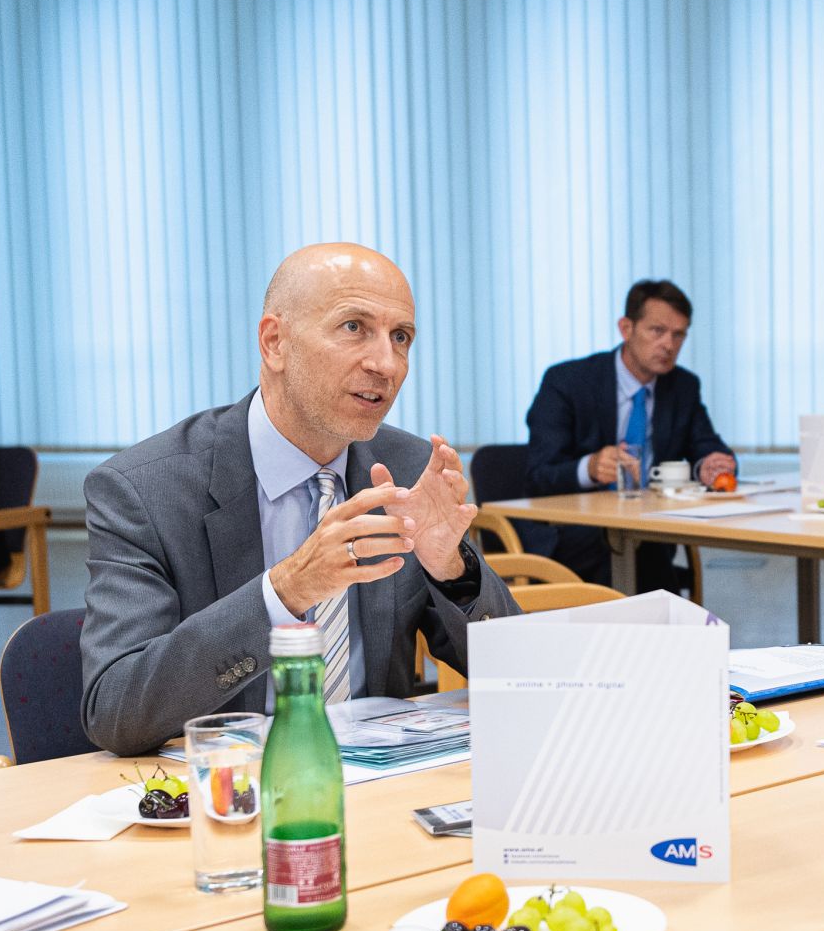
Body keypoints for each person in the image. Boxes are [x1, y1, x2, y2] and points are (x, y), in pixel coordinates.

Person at [82, 244, 518, 755]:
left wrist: (451, 570)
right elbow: (114, 711)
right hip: (230, 795)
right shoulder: (142, 490)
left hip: (383, 785)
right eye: (354, 327)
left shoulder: (406, 469)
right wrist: (285, 590)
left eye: (401, 337)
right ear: (275, 343)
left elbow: (519, 676)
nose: (386, 363)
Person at [523, 279, 735, 590]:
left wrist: (712, 465)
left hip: (646, 531)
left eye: (679, 335)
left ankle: (664, 634)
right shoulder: (568, 382)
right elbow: (539, 475)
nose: (669, 344)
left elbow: (708, 447)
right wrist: (590, 467)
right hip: (572, 532)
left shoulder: (683, 387)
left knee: (646, 550)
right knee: (631, 554)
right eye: (657, 331)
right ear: (626, 328)